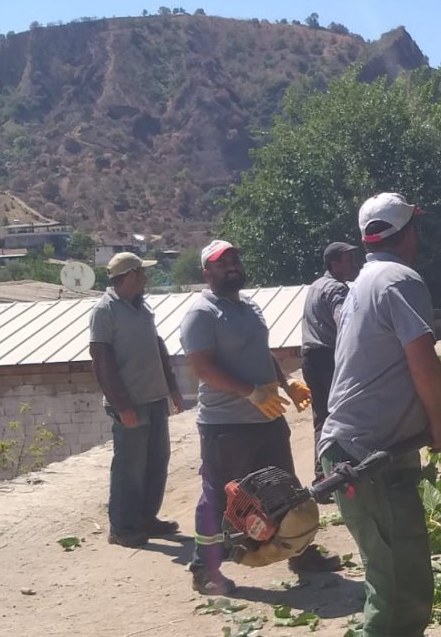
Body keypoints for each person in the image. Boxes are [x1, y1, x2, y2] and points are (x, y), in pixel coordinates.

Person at [319, 192, 441, 636]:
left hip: (363, 451)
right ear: (407, 233)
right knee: (400, 588)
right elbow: (421, 357)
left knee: (400, 579)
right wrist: (440, 423)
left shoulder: (362, 283)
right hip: (366, 459)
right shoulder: (399, 279)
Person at [180, 239, 339, 595]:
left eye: (235, 259)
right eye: (223, 263)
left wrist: (286, 384)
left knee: (286, 490)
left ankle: (299, 551)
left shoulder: (249, 306)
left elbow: (260, 354)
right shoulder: (201, 314)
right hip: (226, 424)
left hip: (266, 419)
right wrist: (249, 392)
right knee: (220, 497)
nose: (232, 266)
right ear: (207, 273)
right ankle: (204, 569)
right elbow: (203, 368)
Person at [88, 252, 186, 548]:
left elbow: (158, 347)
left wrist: (172, 387)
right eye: (141, 274)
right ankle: (122, 527)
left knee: (156, 461)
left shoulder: (141, 308)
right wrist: (122, 405)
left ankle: (146, 518)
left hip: (154, 398)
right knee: (129, 467)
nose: (146, 278)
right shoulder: (105, 311)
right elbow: (101, 360)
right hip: (130, 402)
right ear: (129, 276)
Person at [301, 241, 360, 483]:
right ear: (334, 264)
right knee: (342, 415)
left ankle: (322, 476)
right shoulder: (337, 290)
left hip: (310, 359)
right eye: (348, 260)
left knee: (322, 418)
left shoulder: (316, 286)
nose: (353, 264)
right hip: (329, 358)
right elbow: (345, 323)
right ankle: (339, 472)